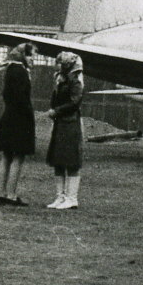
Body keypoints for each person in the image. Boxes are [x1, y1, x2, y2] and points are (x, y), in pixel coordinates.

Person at [0, 42, 36, 206]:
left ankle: (1, 193)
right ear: (23, 55)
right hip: (20, 118)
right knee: (18, 156)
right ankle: (11, 195)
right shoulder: (21, 72)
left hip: (9, 115)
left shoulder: (10, 69)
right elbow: (22, 98)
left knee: (6, 156)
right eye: (30, 55)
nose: (32, 59)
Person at [44, 51, 86, 210]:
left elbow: (75, 103)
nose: (57, 65)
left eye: (60, 62)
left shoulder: (75, 81)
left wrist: (57, 111)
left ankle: (71, 198)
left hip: (70, 123)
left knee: (71, 161)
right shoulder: (62, 80)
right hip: (61, 123)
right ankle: (60, 197)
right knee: (58, 161)